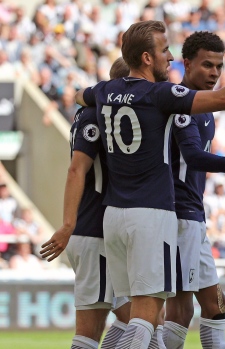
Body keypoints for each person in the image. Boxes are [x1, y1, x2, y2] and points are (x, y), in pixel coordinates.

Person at [71, 20, 225, 349]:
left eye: (219, 65)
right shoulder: (168, 97)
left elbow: (81, 96)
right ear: (148, 58)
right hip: (162, 213)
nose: (170, 56)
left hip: (121, 214)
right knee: (151, 316)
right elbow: (221, 107)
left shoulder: (106, 92)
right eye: (165, 51)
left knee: (160, 312)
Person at [40, 57, 131, 349]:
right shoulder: (97, 116)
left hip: (105, 233)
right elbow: (76, 169)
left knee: (141, 320)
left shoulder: (93, 112)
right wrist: (68, 224)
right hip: (94, 232)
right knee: (89, 332)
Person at [162, 31, 225, 349]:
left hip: (193, 216)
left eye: (218, 67)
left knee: (215, 305)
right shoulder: (182, 103)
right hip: (180, 214)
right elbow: (194, 157)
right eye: (207, 65)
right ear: (186, 63)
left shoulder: (202, 106)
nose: (213, 73)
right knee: (181, 311)